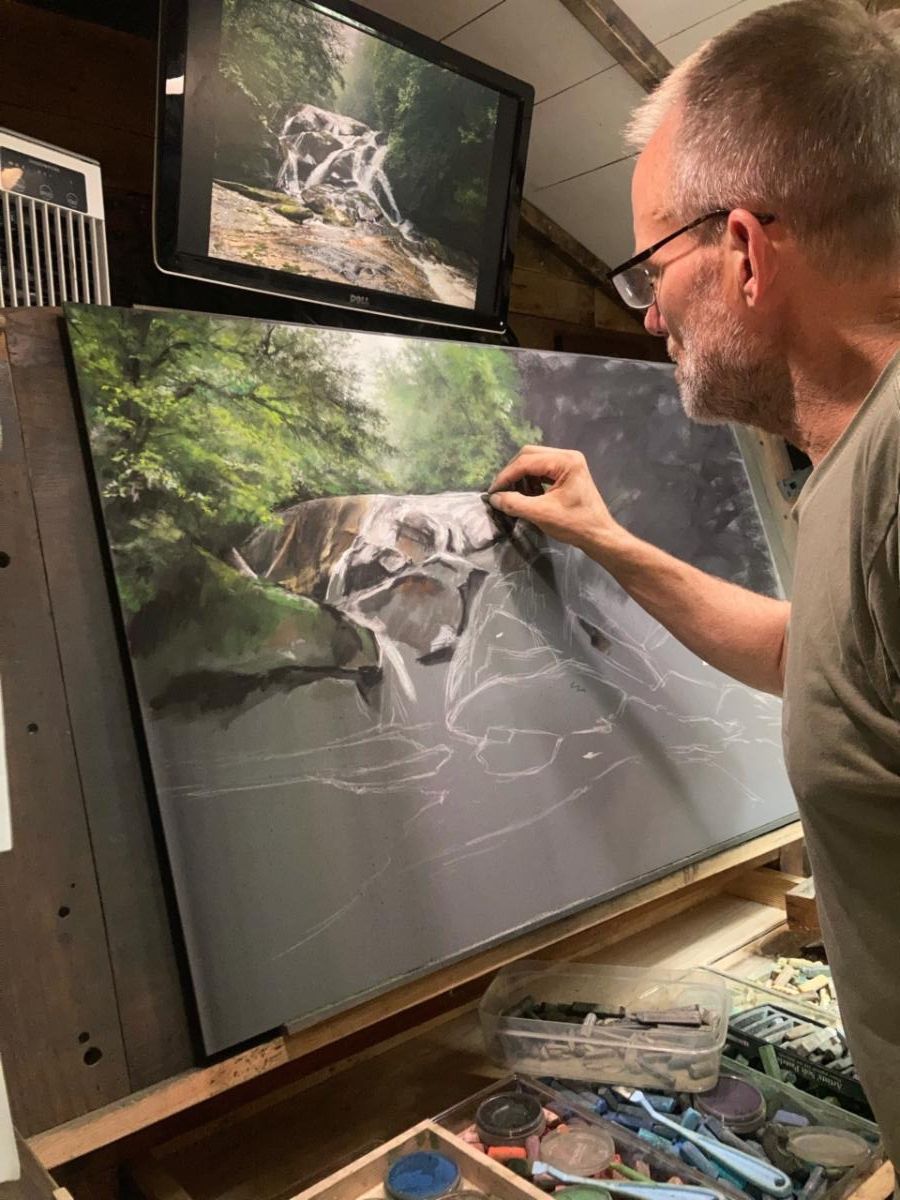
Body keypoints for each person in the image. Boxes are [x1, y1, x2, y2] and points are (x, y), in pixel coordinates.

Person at [489, 0, 900, 1156]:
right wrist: (606, 539)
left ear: (747, 253)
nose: (649, 308)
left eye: (651, 267)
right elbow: (817, 661)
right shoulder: (859, 469)